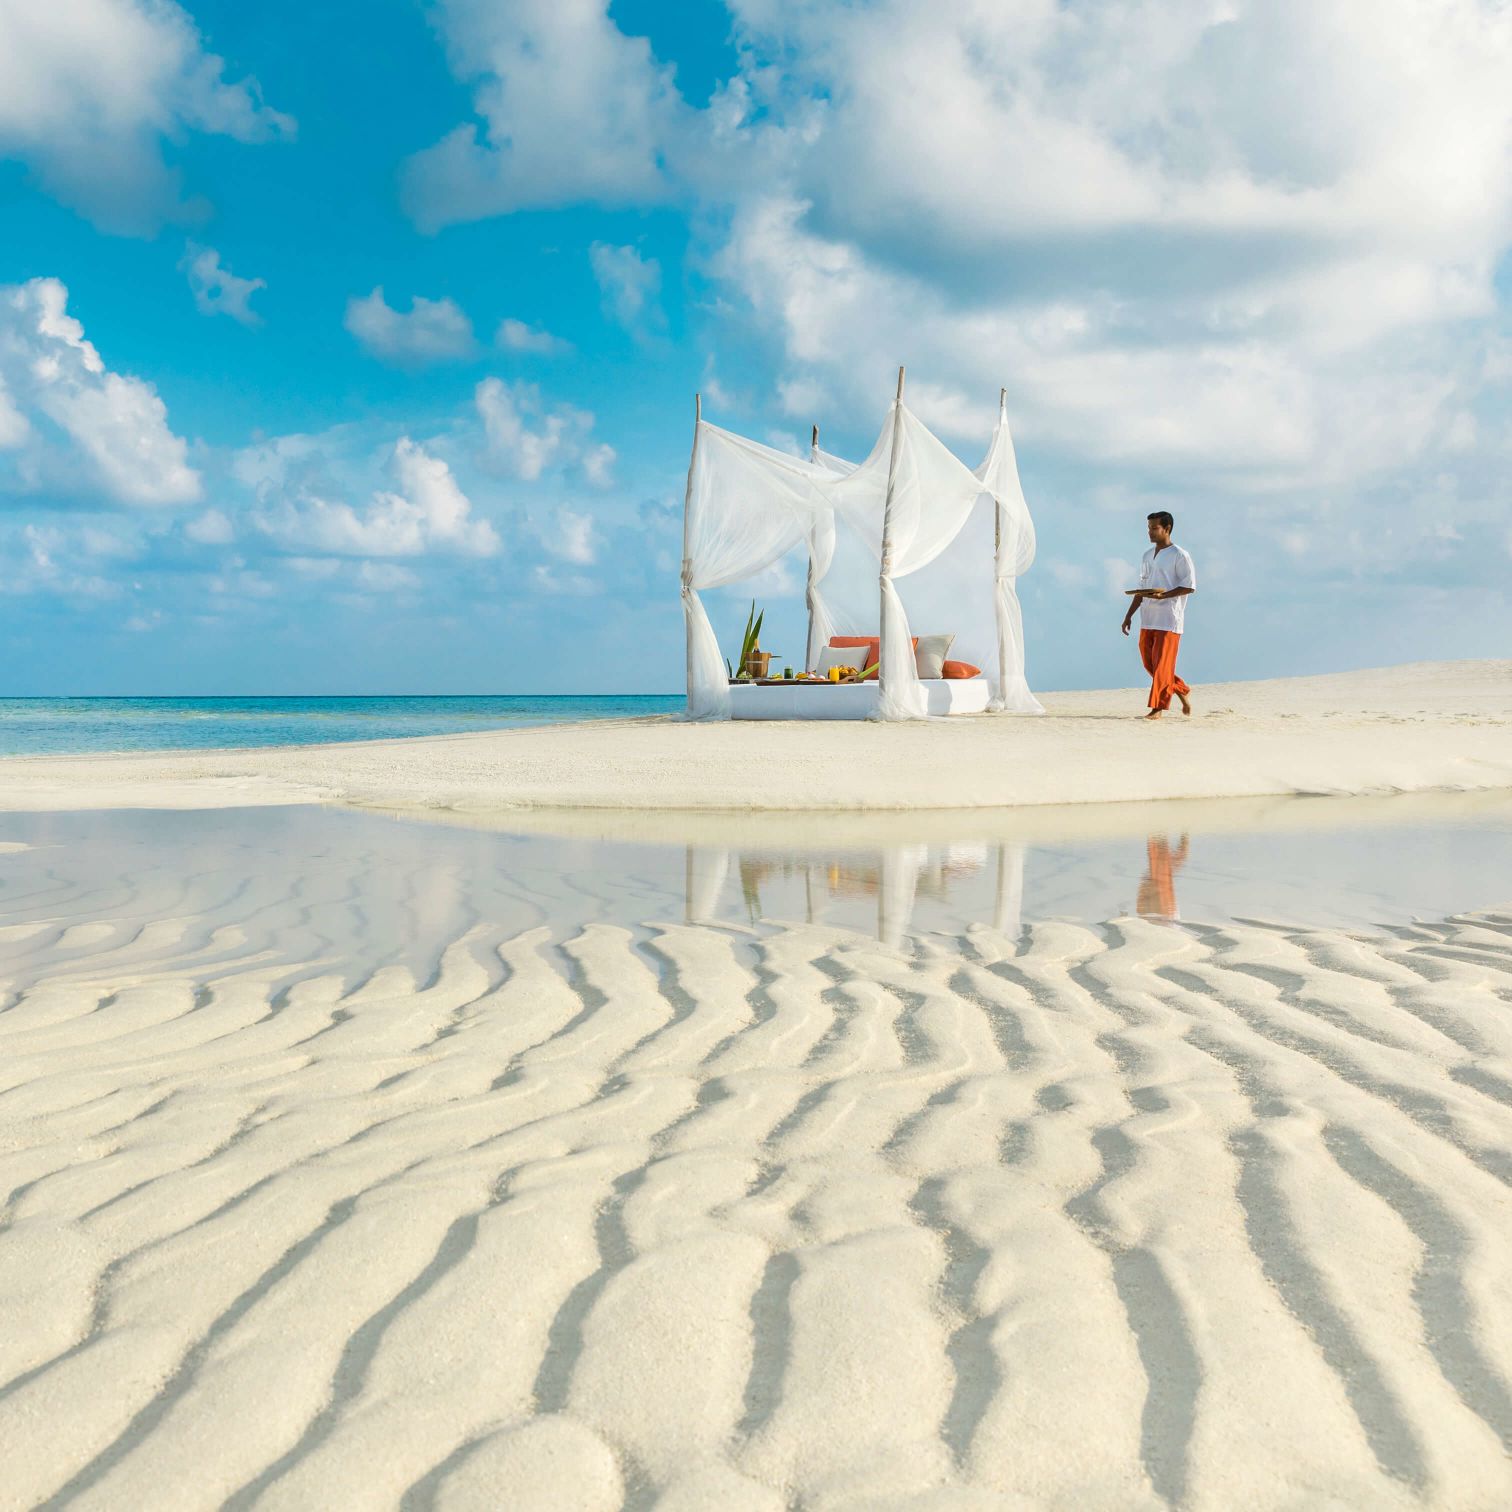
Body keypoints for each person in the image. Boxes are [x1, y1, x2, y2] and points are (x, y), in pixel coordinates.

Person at [1122, 511, 1196, 719]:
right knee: (1150, 663)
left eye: (1154, 528)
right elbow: (1142, 587)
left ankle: (1157, 709)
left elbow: (1189, 586)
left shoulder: (1180, 555)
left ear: (1167, 529)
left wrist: (1164, 597)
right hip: (1148, 618)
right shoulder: (1146, 555)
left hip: (1169, 619)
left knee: (1162, 665)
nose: (1150, 532)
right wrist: (1129, 615)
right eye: (1149, 528)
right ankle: (1180, 689)